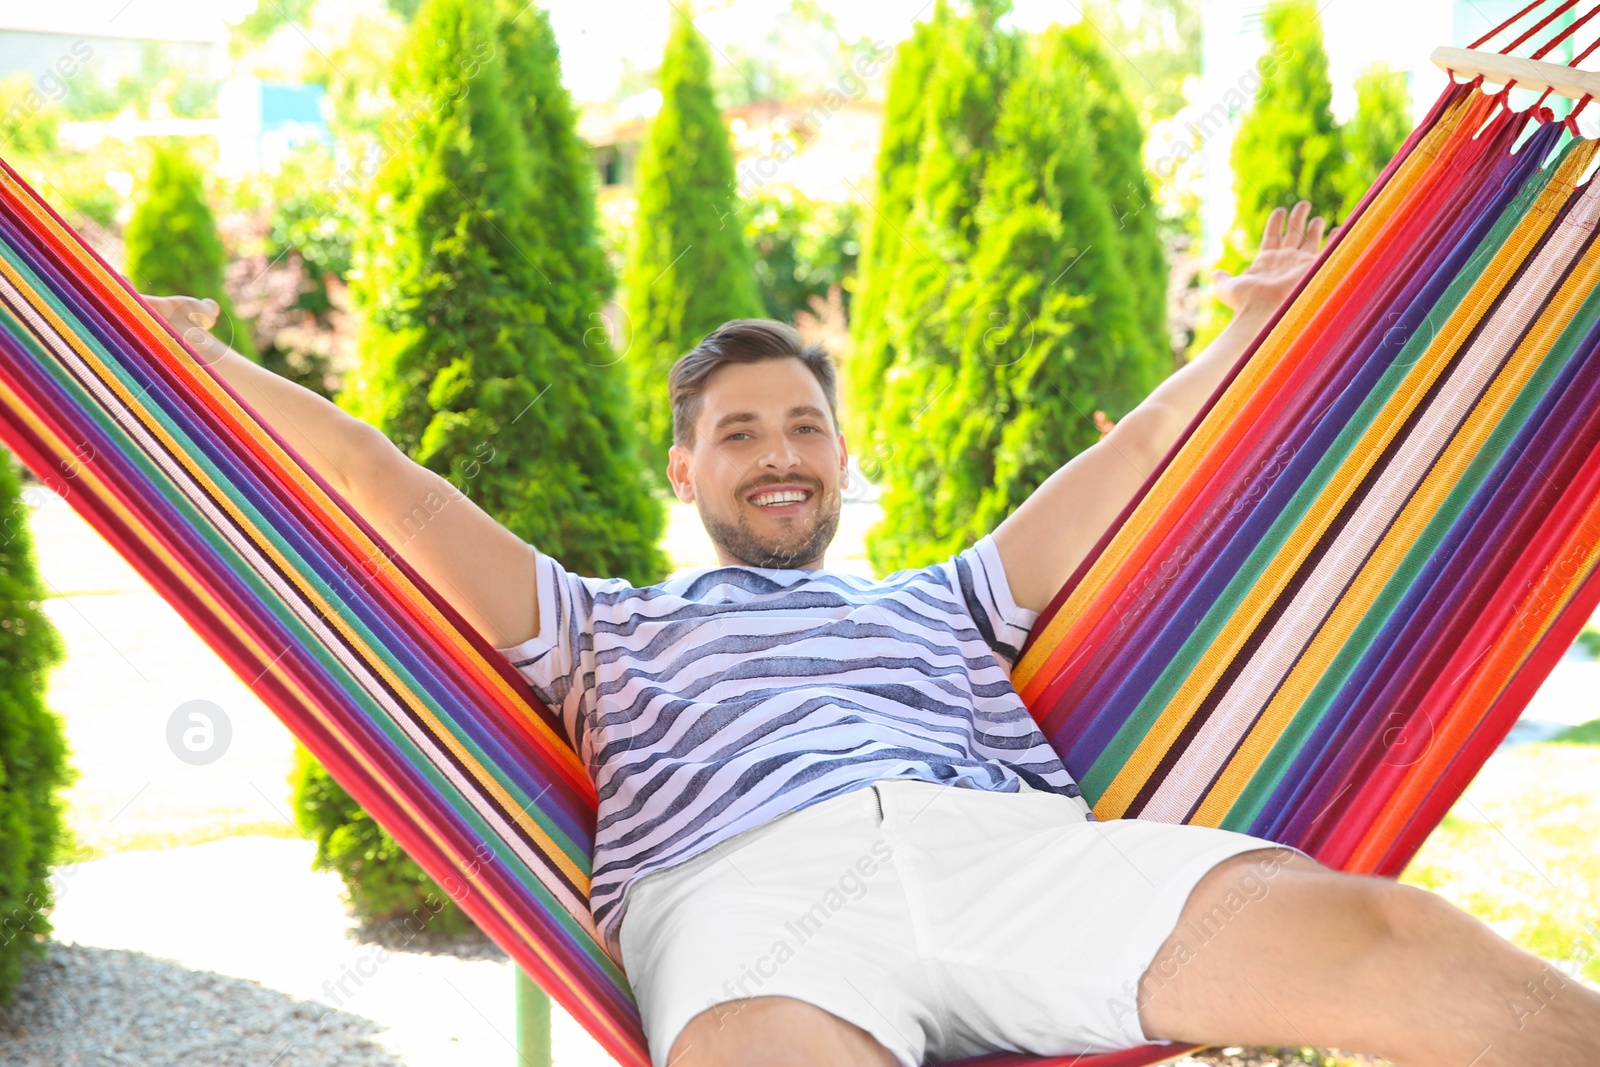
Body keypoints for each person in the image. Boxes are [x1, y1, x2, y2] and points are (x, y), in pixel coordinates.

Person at [145, 202, 1600, 1067]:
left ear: (842, 458)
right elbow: (375, 481)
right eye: (738, 436)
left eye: (804, 429)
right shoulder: (600, 628)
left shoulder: (942, 599)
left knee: (1396, 934)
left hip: (1013, 860)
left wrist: (1257, 334)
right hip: (748, 899)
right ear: (686, 473)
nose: (778, 455)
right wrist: (196, 365)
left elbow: (1144, 455)